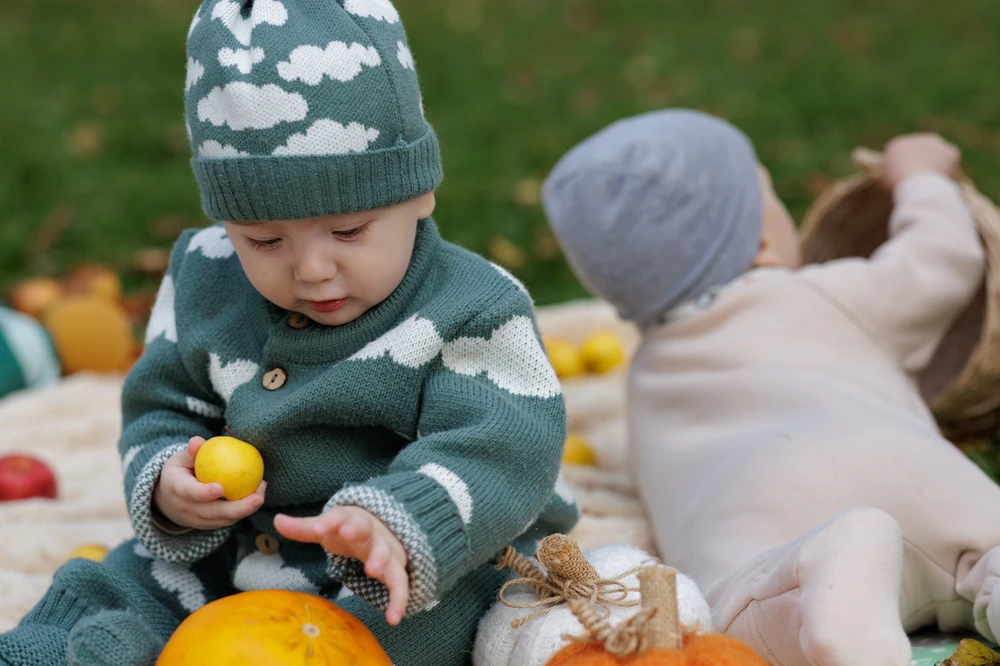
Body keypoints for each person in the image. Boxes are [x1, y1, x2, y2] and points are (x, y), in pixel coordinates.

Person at [0, 2, 578, 664]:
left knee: (397, 623)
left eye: (349, 231)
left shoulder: (473, 306)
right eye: (264, 239)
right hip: (244, 545)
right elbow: (160, 406)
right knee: (118, 579)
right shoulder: (204, 276)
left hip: (425, 552)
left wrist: (393, 523)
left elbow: (503, 445)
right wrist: (170, 485)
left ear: (420, 194)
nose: (311, 269)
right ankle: (66, 649)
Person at [542, 108, 1000, 665]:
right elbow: (941, 263)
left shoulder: (645, 379)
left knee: (739, 620)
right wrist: (923, 177)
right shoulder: (818, 295)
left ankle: (828, 574)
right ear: (762, 243)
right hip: (912, 475)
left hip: (763, 522)